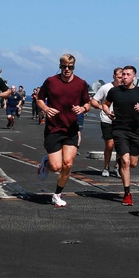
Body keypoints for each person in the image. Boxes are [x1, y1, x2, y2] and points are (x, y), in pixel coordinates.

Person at [35, 54, 91, 208]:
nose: (67, 69)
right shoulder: (51, 81)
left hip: (71, 129)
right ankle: (46, 163)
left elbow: (87, 103)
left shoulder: (81, 83)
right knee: (56, 167)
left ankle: (57, 195)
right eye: (64, 66)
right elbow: (39, 99)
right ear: (60, 66)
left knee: (68, 163)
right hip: (54, 128)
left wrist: (82, 108)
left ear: (74, 67)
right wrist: (46, 109)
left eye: (70, 66)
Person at [103, 65, 139, 205]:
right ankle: (127, 194)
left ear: (134, 76)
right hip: (119, 130)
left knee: (133, 163)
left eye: (128, 74)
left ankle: (120, 161)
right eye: (123, 74)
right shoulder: (114, 91)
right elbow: (105, 105)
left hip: (135, 131)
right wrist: (108, 112)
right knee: (126, 162)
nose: (124, 77)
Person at [89, 67, 123, 177]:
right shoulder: (106, 88)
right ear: (114, 76)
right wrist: (101, 107)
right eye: (118, 77)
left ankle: (117, 167)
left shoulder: (125, 89)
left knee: (120, 145)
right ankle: (106, 166)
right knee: (110, 144)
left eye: (122, 77)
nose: (121, 80)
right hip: (107, 119)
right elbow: (94, 101)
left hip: (121, 121)